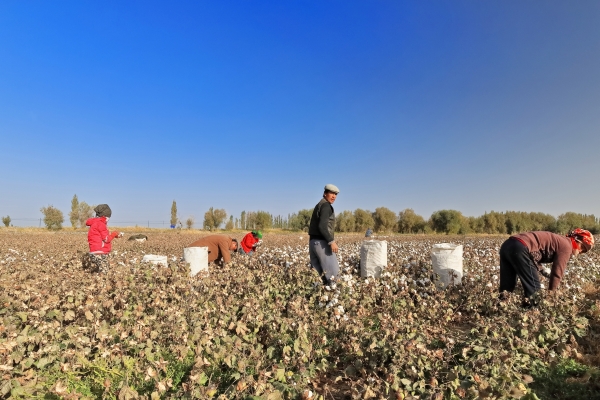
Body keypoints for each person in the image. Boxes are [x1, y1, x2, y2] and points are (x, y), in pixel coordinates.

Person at [499, 228, 595, 305]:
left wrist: (541, 269)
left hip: (508, 245)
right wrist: (551, 294)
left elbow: (533, 254)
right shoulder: (567, 246)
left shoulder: (560, 240)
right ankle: (530, 317)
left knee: (507, 287)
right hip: (521, 247)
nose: (581, 251)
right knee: (534, 293)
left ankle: (499, 311)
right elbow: (557, 272)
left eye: (584, 251)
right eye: (582, 247)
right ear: (576, 239)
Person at [308, 184, 340, 285]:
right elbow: (322, 226)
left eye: (335, 194)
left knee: (317, 277)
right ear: (325, 194)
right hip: (322, 243)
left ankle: (315, 298)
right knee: (334, 276)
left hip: (313, 243)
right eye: (331, 193)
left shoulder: (319, 205)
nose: (334, 196)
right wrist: (331, 241)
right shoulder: (326, 206)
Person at [85, 204, 123, 273]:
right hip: (100, 252)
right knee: (104, 272)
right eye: (109, 217)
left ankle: (94, 278)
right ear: (105, 216)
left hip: (94, 251)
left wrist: (115, 236)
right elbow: (106, 239)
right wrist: (114, 234)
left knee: (100, 270)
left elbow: (100, 236)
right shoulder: (101, 224)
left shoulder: (95, 222)